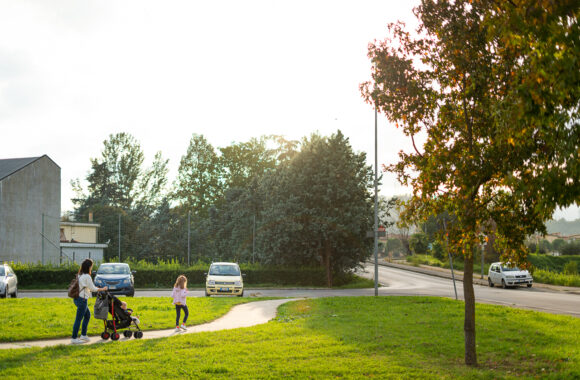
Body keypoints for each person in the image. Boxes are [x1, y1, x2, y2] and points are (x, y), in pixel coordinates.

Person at [71, 259, 107, 344]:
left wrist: (94, 287)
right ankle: (74, 338)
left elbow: (88, 287)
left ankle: (83, 334)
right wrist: (103, 288)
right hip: (82, 300)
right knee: (78, 319)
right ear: (89, 267)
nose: (92, 267)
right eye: (91, 266)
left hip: (77, 298)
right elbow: (93, 289)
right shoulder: (87, 276)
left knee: (87, 315)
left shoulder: (80, 275)